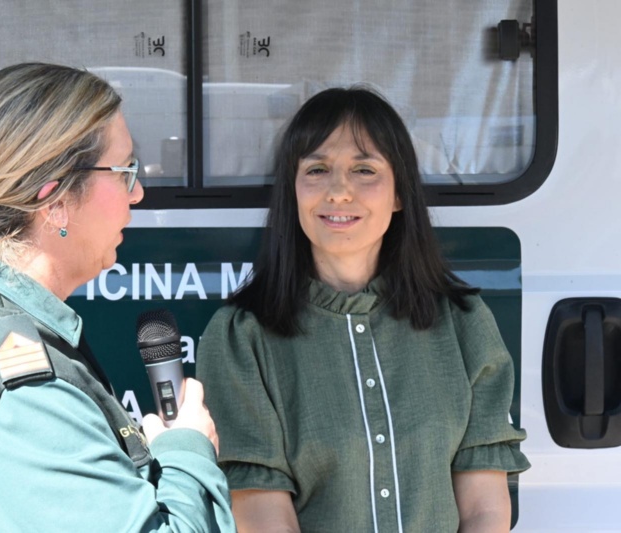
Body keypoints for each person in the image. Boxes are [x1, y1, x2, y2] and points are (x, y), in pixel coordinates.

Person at [0, 63, 235, 532]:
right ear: (56, 199)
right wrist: (188, 450)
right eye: (126, 171)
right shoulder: (20, 386)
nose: (140, 193)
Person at [196, 87, 530, 533]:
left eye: (364, 169)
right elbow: (259, 513)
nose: (338, 192)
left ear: (398, 194)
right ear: (292, 192)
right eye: (317, 169)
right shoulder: (241, 338)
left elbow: (484, 510)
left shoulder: (465, 323)